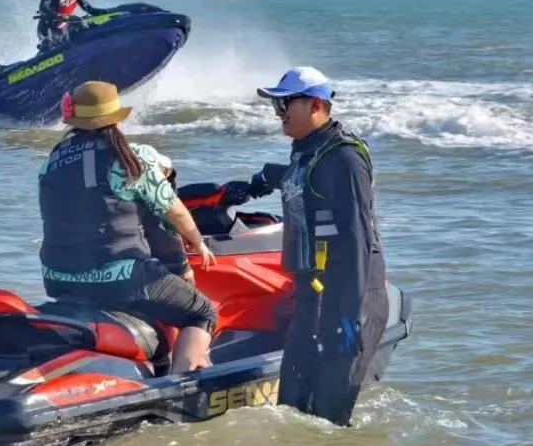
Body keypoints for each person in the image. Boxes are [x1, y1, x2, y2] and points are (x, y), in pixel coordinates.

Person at [38, 81, 218, 373]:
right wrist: (197, 241)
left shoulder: (51, 162)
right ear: (115, 118)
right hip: (119, 278)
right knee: (202, 311)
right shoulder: (131, 158)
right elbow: (174, 211)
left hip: (58, 277)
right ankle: (179, 386)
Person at [248, 66, 389, 426]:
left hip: (348, 299)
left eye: (285, 104)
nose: (278, 114)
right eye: (276, 105)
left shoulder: (343, 157)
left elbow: (359, 238)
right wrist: (258, 181)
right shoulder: (305, 152)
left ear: (314, 105)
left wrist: (352, 317)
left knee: (329, 421)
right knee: (292, 412)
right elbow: (302, 180)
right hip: (315, 297)